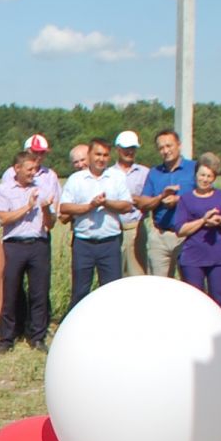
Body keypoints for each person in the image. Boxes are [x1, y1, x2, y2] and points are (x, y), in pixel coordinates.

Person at [0, 149, 56, 350]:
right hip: (14, 245)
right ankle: (7, 337)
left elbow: (51, 223)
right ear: (17, 169)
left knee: (39, 292)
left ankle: (37, 336)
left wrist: (45, 208)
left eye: (35, 169)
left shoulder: (42, 189)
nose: (33, 173)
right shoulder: (3, 190)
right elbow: (4, 218)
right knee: (9, 292)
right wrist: (28, 207)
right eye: (29, 169)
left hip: (38, 244)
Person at [60, 138, 132, 307]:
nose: (101, 158)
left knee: (111, 290)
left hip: (110, 242)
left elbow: (127, 205)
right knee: (80, 290)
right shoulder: (76, 179)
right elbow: (64, 207)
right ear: (90, 155)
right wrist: (90, 206)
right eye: (98, 154)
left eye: (105, 155)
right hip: (83, 243)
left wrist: (107, 203)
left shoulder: (116, 177)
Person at [173, 153, 221, 306]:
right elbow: (180, 229)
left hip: (220, 257)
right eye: (202, 175)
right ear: (196, 175)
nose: (205, 179)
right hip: (193, 257)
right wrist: (203, 220)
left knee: (219, 299)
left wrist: (220, 220)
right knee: (195, 300)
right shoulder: (186, 199)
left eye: (209, 176)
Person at [135, 128, 198, 277]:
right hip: (161, 236)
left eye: (169, 146)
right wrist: (160, 197)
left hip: (188, 235)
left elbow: (206, 197)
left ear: (179, 145)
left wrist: (179, 200)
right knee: (159, 286)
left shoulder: (194, 168)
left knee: (190, 284)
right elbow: (143, 203)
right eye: (161, 148)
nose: (165, 150)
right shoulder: (154, 173)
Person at [112, 130, 149, 275]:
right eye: (126, 148)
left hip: (136, 228)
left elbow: (149, 200)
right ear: (118, 149)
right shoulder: (109, 173)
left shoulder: (145, 172)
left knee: (138, 276)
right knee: (116, 276)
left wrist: (136, 200)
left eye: (132, 148)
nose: (129, 152)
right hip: (115, 229)